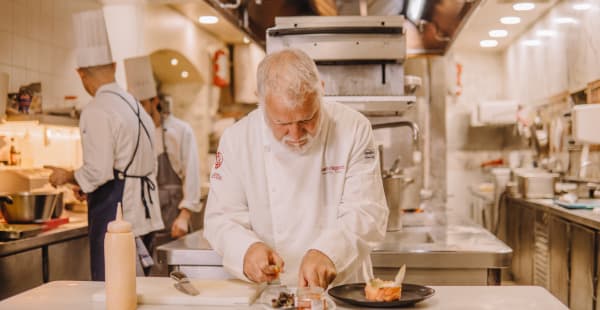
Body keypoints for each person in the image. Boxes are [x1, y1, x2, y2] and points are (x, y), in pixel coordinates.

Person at [204, 48, 388, 289]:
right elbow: (221, 218)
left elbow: (366, 211)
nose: (296, 134)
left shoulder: (353, 128)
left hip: (341, 289)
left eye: (307, 120)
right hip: (269, 292)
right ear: (260, 99)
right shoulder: (236, 140)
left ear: (321, 89)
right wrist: (246, 249)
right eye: (281, 123)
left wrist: (329, 252)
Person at [46, 10, 163, 281]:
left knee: (111, 292)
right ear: (113, 67)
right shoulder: (135, 106)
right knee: (136, 290)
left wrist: (67, 176)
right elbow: (129, 163)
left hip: (119, 217)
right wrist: (85, 185)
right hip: (143, 213)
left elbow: (98, 172)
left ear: (81, 74)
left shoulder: (97, 109)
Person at [124, 56, 202, 274]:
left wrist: (185, 216)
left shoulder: (180, 131)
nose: (138, 110)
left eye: (141, 104)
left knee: (178, 280)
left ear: (154, 101)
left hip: (174, 223)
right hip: (145, 226)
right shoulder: (133, 134)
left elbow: (192, 174)